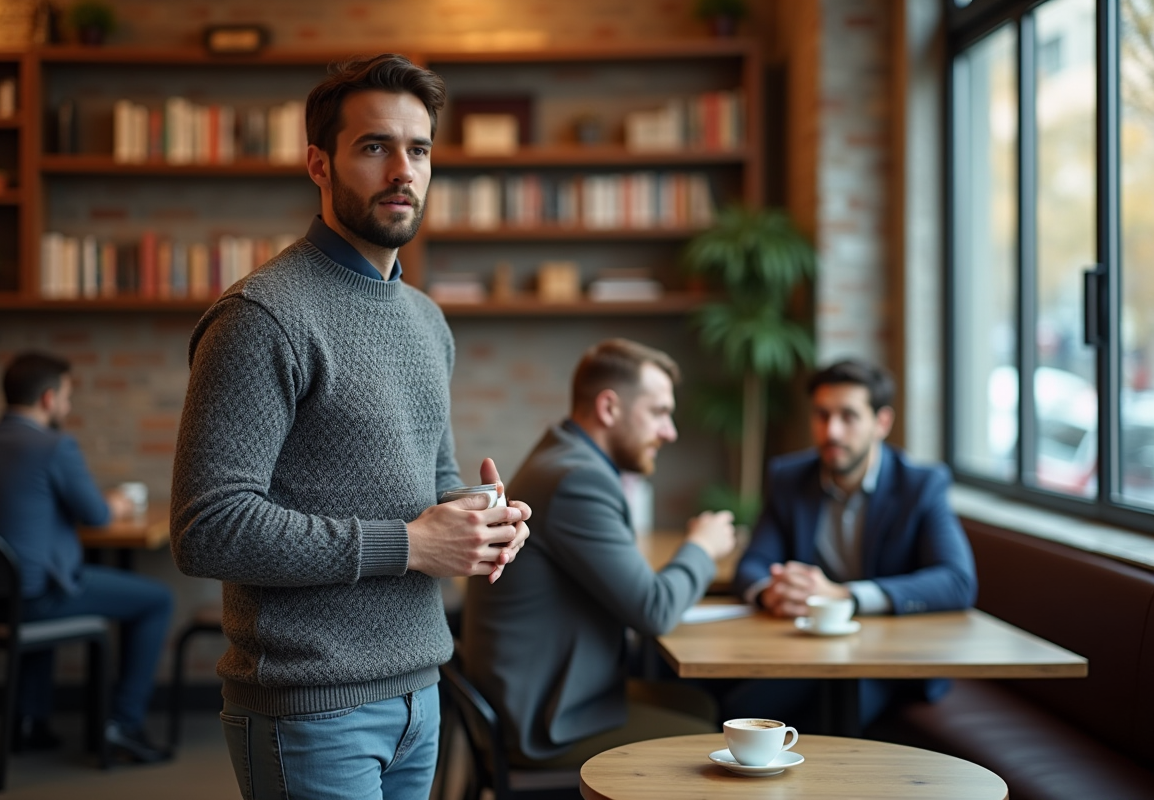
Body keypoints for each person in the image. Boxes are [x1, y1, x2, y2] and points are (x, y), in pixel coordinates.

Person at [169, 53, 530, 800]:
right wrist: (411, 543)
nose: (404, 169)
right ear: (319, 163)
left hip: (420, 695)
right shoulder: (261, 317)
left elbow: (426, 487)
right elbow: (207, 527)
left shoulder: (427, 321)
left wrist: (475, 520)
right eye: (375, 147)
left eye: (419, 149)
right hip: (310, 710)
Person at [461, 338, 737, 767]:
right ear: (609, 408)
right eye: (659, 412)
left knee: (700, 706)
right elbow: (654, 609)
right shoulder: (577, 480)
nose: (670, 432)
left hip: (543, 693)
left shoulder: (564, 455)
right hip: (544, 721)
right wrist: (702, 546)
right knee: (709, 743)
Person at [728, 358, 978, 730]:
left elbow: (958, 581)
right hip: (807, 649)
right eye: (822, 415)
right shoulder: (790, 478)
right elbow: (752, 564)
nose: (832, 431)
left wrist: (844, 597)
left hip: (890, 660)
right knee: (735, 706)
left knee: (806, 714)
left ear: (882, 422)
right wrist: (773, 592)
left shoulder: (921, 485)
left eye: (848, 416)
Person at [0, 351, 174, 763]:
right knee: (156, 600)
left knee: (44, 576)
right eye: (68, 397)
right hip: (36, 599)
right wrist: (119, 503)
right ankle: (124, 724)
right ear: (49, 399)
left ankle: (29, 721)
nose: (69, 407)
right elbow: (96, 514)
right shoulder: (53, 447)